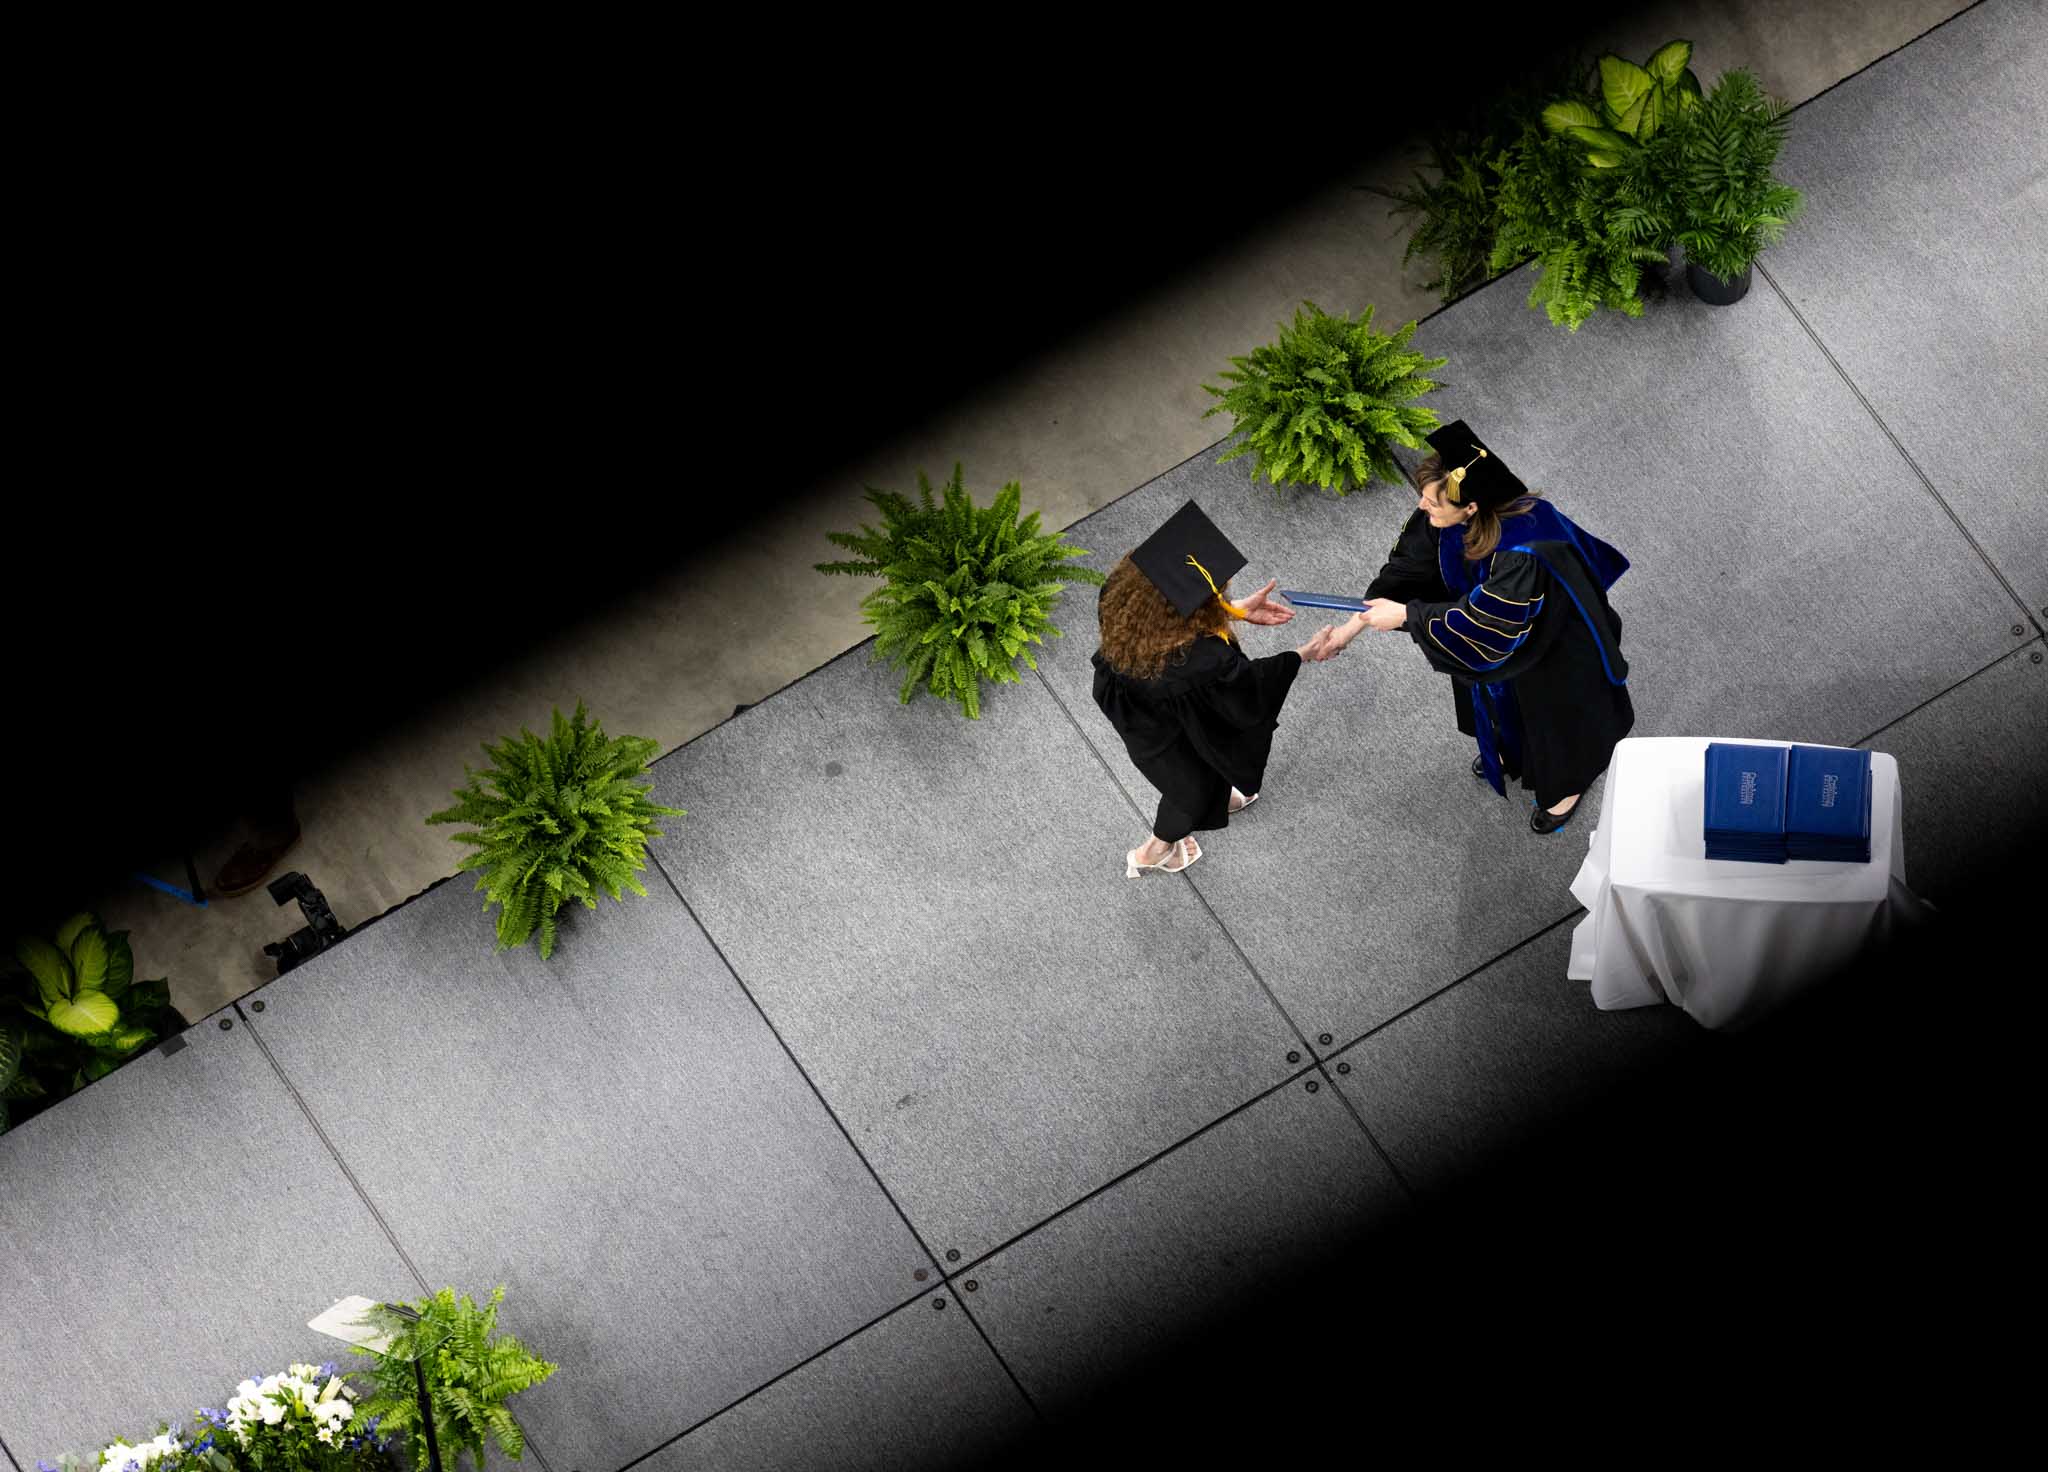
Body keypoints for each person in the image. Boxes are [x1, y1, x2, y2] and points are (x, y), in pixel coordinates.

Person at [1319, 420, 1632, 834]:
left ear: (1471, 508)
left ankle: (1567, 786)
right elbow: (1406, 571)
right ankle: (1511, 750)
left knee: (1558, 724)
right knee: (1500, 706)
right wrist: (1352, 625)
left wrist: (1408, 617)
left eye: (1433, 503)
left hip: (1550, 649)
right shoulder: (1445, 518)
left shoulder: (1525, 548)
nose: (1422, 508)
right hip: (1500, 643)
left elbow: (1485, 628)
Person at [1090, 499, 1343, 876]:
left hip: (1133, 702)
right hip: (1166, 732)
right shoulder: (1199, 661)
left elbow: (1175, 631)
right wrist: (1302, 654)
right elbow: (1247, 693)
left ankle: (1218, 797)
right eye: (1216, 597)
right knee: (1191, 790)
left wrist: (1233, 611)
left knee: (1200, 771)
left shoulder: (1123, 600)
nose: (1221, 596)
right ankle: (1154, 853)